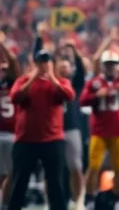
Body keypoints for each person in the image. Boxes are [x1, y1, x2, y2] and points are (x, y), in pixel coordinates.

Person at [8, 49, 75, 210]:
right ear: (34, 63)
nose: (43, 65)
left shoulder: (60, 81)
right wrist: (34, 77)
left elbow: (69, 96)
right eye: (40, 62)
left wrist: (51, 76)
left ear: (52, 64)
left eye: (46, 62)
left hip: (52, 140)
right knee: (18, 184)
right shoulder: (23, 80)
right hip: (25, 140)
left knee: (56, 185)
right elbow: (15, 97)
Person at [80, 50, 119, 210]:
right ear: (103, 66)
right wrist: (96, 96)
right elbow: (82, 101)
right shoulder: (95, 82)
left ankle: (118, 200)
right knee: (93, 167)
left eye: (113, 65)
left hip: (118, 131)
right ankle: (90, 199)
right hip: (99, 131)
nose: (110, 68)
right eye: (108, 65)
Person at [56, 43, 86, 210]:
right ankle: (53, 200)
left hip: (72, 127)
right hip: (53, 129)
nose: (63, 70)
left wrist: (74, 51)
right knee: (53, 169)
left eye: (66, 67)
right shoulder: (51, 84)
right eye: (60, 67)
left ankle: (78, 201)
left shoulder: (75, 84)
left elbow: (81, 68)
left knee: (76, 166)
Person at [0, 38, 21, 208]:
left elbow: (13, 62)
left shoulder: (13, 83)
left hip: (12, 134)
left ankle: (6, 204)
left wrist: (1, 45)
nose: (3, 71)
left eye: (4, 69)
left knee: (12, 173)